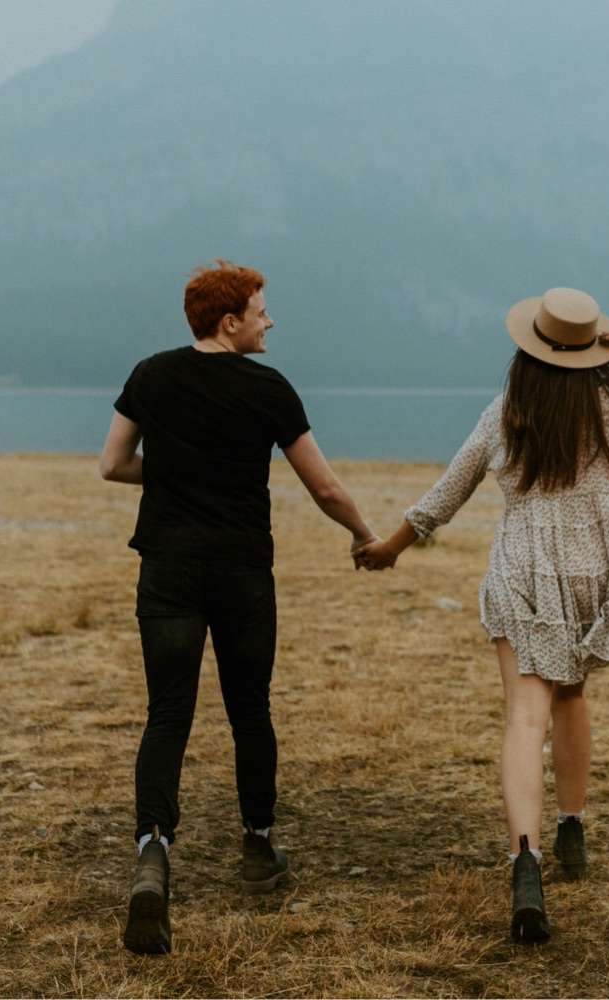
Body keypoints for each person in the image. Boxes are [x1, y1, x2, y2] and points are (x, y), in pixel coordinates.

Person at [354, 287, 609, 942]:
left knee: (524, 715)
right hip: (596, 579)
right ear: (595, 348)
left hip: (526, 577)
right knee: (571, 697)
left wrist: (389, 549)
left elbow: (445, 494)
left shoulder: (507, 412)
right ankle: (571, 827)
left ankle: (526, 860)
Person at [100, 259, 380, 955]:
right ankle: (257, 850)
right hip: (242, 573)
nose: (270, 320)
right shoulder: (269, 389)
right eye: (261, 311)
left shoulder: (149, 375)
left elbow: (112, 464)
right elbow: (324, 488)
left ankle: (153, 856)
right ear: (230, 323)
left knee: (167, 713)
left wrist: (171, 473)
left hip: (166, 568)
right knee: (249, 709)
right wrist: (366, 535)